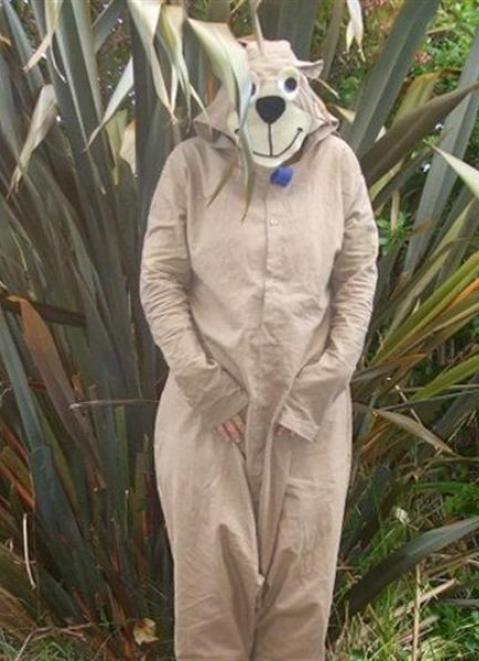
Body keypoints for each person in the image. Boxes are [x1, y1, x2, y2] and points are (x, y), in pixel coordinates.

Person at [139, 37, 379, 661]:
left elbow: (357, 275)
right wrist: (208, 386)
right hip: (207, 421)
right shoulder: (189, 169)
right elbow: (160, 280)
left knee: (301, 601)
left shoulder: (338, 167)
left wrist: (320, 387)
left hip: (310, 422)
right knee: (209, 600)